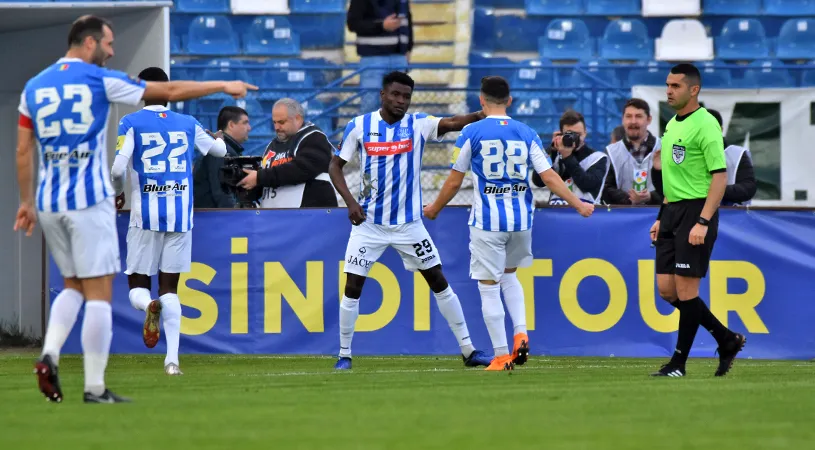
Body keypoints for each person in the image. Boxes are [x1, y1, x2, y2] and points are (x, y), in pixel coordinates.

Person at [14, 15, 255, 403]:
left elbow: (26, 149)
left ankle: (51, 353)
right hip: (141, 208)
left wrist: (27, 200)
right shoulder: (102, 82)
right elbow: (216, 146)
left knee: (85, 285)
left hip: (52, 200)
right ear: (90, 43)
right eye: (108, 44)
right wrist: (223, 87)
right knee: (104, 291)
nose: (112, 51)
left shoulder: (35, 87)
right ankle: (145, 369)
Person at [424, 76, 594, 371]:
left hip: (488, 222)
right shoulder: (525, 131)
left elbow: (454, 180)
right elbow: (549, 176)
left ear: (481, 100)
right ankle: (521, 332)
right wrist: (578, 204)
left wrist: (435, 208)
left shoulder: (471, 132)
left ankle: (502, 355)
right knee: (509, 277)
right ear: (510, 101)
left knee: (489, 287)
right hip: (521, 221)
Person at [329, 71, 492, 370]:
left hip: (409, 226)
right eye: (395, 95)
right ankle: (344, 355)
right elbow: (335, 165)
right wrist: (350, 203)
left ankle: (469, 351)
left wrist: (485, 113)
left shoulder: (417, 124)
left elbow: (453, 122)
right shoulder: (360, 126)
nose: (401, 101)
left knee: (440, 282)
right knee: (353, 287)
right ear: (383, 94)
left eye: (406, 96)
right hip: (369, 226)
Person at [110, 67, 228, 376]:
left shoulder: (130, 122)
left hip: (145, 216)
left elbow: (117, 169)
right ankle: (172, 361)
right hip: (181, 216)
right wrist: (218, 137)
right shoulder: (188, 123)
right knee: (171, 289)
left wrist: (118, 194)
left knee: (137, 285)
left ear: (144, 91)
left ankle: (148, 306)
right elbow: (219, 150)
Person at [649, 63, 746, 378]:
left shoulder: (706, 125)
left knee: (687, 293)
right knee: (666, 290)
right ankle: (725, 338)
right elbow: (672, 179)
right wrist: (660, 216)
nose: (669, 91)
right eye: (667, 85)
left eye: (675, 86)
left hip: (695, 212)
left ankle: (678, 363)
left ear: (694, 89)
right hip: (672, 211)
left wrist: (703, 221)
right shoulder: (673, 125)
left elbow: (719, 178)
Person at [237, 98, 338, 208]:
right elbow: (267, 180)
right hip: (278, 217)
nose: (276, 127)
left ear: (298, 119)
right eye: (274, 122)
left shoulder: (313, 137)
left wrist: (259, 177)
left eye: (281, 122)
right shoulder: (272, 145)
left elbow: (301, 169)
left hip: (307, 216)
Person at [347, 0, 412, 113]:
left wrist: (408, 48)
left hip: (399, 58)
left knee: (397, 108)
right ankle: (370, 131)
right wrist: (381, 25)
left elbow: (407, 21)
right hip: (373, 57)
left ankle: (391, 131)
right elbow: (353, 23)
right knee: (370, 106)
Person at [531, 110, 608, 206]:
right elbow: (537, 181)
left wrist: (567, 157)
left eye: (578, 134)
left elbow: (588, 185)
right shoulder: (556, 155)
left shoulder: (598, 158)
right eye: (569, 134)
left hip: (586, 214)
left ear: (585, 133)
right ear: (561, 134)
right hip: (556, 213)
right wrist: (551, 150)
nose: (574, 138)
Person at [602, 98, 663, 206]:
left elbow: (675, 187)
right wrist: (629, 199)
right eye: (628, 116)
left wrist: (650, 197)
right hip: (625, 217)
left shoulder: (663, 147)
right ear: (623, 120)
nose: (633, 121)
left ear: (649, 120)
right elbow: (605, 188)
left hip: (659, 216)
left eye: (638, 116)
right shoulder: (611, 152)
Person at [193, 106, 251, 208]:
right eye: (245, 123)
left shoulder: (225, 148)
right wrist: (232, 217)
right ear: (231, 125)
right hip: (211, 218)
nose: (249, 128)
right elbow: (221, 192)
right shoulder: (221, 150)